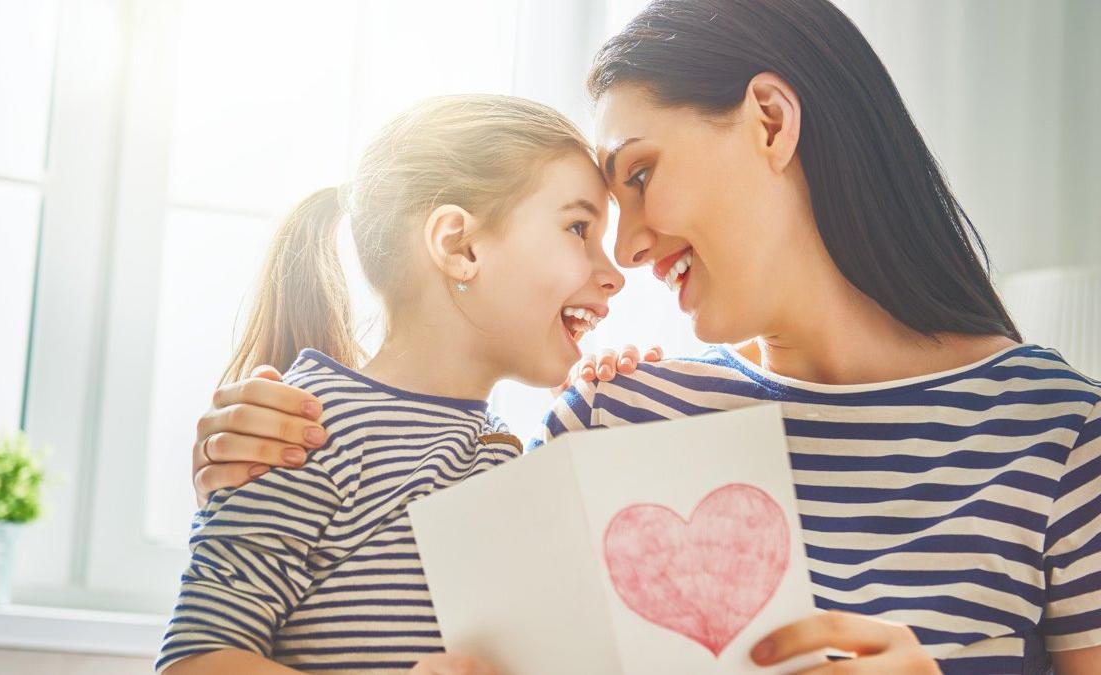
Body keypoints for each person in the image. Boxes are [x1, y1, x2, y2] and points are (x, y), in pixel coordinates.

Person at [189, 1, 1101, 672]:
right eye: (592, 216)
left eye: (641, 173)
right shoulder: (618, 410)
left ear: (771, 122)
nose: (625, 249)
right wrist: (259, 448)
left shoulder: (1058, 436)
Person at [156, 94, 625, 674]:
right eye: (579, 228)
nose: (614, 275)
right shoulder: (302, 430)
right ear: (459, 246)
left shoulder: (505, 450)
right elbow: (195, 663)